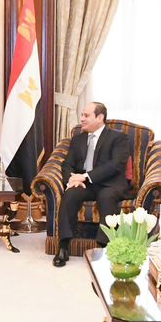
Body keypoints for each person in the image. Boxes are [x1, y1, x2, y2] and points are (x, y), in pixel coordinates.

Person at [52, 102, 133, 268]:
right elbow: (67, 164)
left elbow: (115, 165)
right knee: (71, 193)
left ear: (100, 117)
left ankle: (103, 247)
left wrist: (85, 176)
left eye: (86, 115)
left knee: (106, 196)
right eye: (82, 115)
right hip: (85, 185)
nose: (81, 118)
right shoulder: (78, 139)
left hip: (110, 184)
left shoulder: (118, 138)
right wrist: (72, 180)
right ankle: (63, 246)